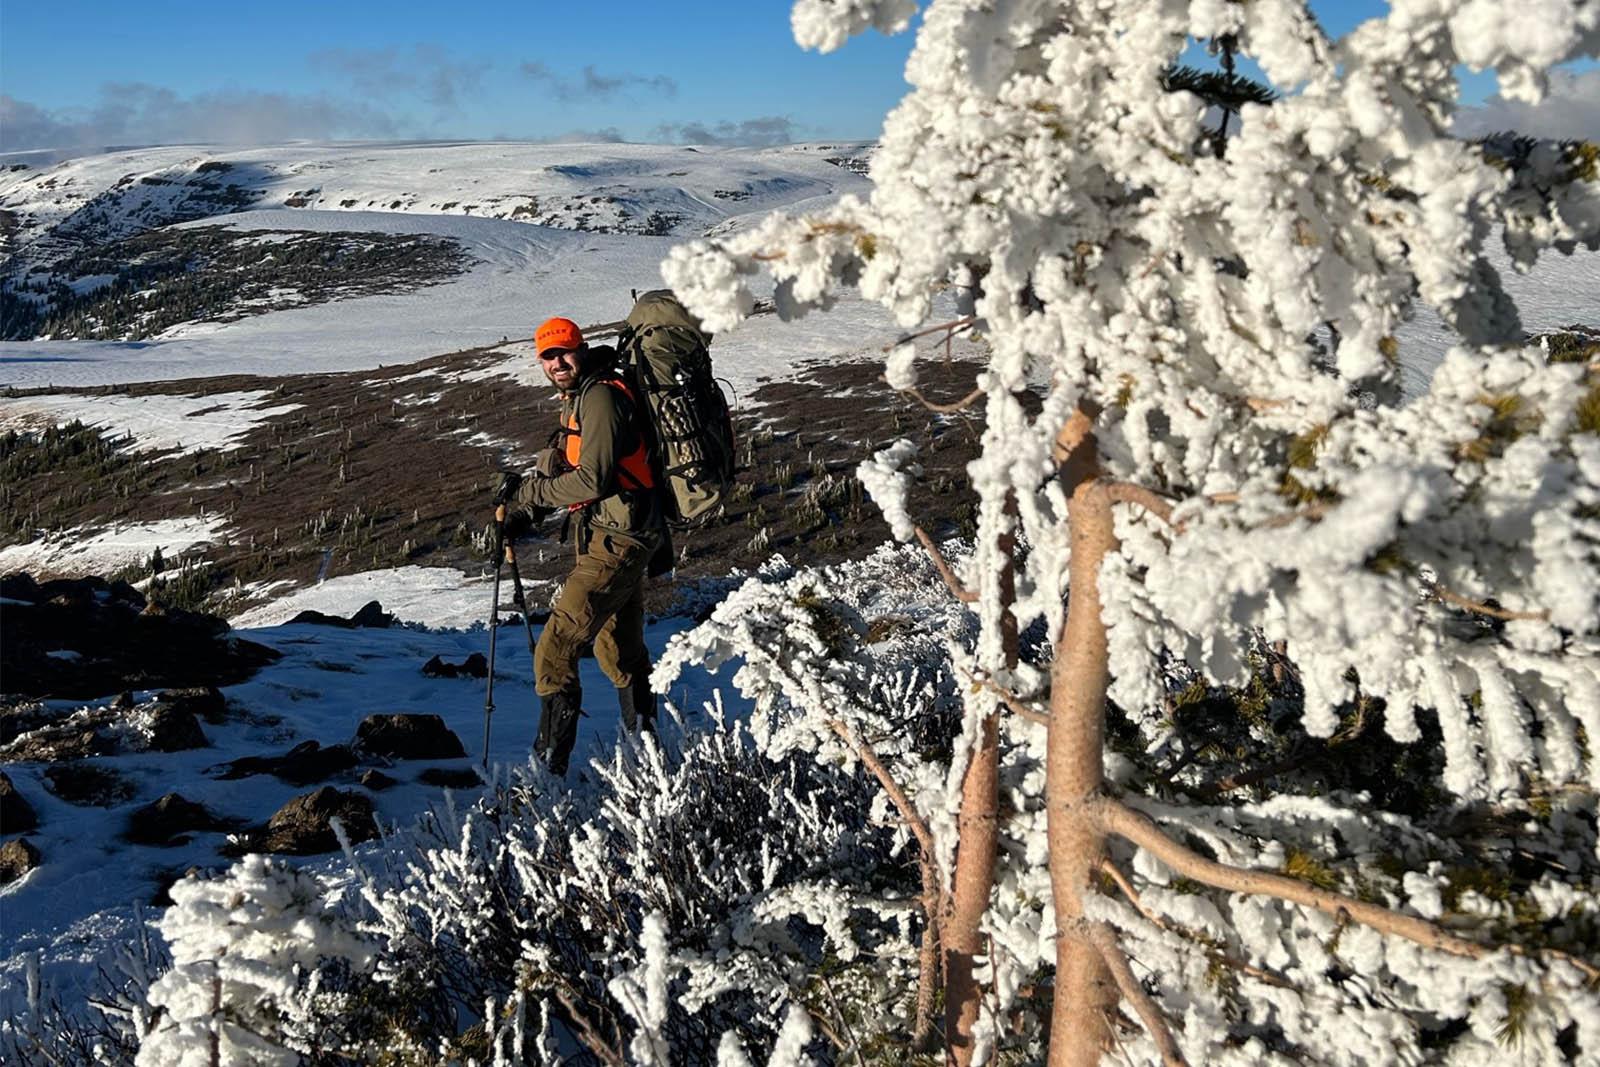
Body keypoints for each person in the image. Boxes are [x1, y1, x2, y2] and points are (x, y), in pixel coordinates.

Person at [495, 316, 668, 776]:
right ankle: (649, 763)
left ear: (581, 347)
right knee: (618, 650)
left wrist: (530, 496)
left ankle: (545, 781)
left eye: (563, 352)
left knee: (554, 650)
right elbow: (572, 468)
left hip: (619, 540)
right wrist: (527, 511)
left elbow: (593, 479)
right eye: (547, 356)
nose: (556, 362)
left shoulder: (601, 398)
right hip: (615, 533)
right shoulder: (580, 397)